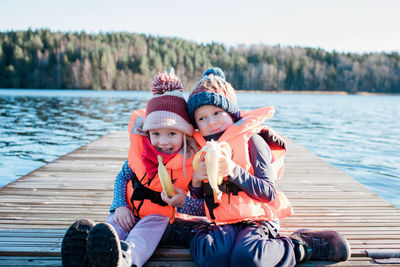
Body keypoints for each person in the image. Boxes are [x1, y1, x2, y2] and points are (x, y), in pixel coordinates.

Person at [185, 67, 351, 267]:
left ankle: (302, 245)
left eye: (217, 112)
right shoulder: (204, 150)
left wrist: (233, 171)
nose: (211, 122)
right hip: (224, 220)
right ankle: (188, 232)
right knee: (211, 257)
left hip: (258, 218)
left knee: (248, 258)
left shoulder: (253, 141)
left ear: (231, 112)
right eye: (201, 118)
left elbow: (268, 193)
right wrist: (196, 181)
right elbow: (201, 198)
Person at [61, 71, 201, 267]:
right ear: (147, 133)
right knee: (113, 228)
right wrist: (119, 206)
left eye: (171, 133)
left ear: (185, 133)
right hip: (128, 208)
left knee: (143, 236)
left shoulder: (191, 163)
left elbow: (200, 204)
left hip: (157, 215)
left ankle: (124, 259)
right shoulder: (141, 154)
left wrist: (181, 202)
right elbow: (122, 177)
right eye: (156, 134)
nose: (163, 142)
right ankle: (85, 253)